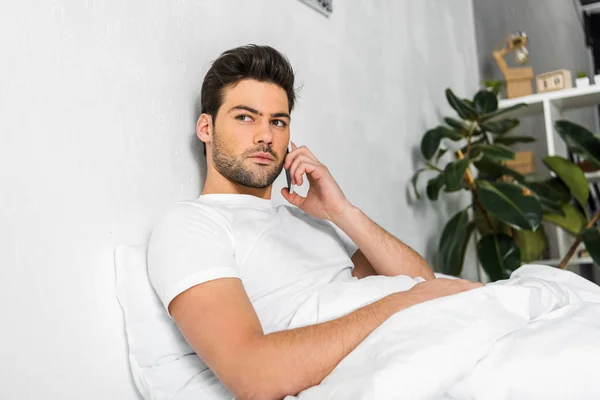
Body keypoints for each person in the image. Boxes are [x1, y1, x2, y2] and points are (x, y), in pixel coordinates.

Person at [147, 44, 483, 400]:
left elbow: (421, 280)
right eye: (245, 117)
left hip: (436, 332)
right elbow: (252, 374)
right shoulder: (191, 225)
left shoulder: (305, 218)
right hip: (403, 352)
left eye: (278, 121)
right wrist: (403, 303)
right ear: (206, 127)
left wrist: (342, 212)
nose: (265, 135)